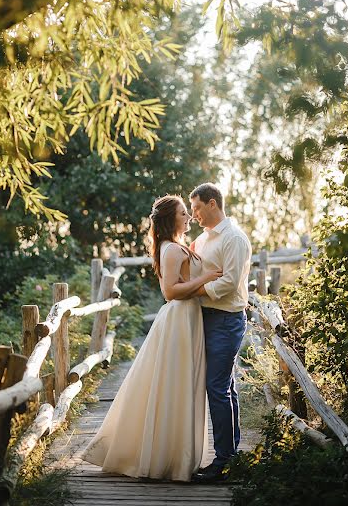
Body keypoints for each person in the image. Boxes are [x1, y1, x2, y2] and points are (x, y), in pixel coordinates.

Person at [81, 195, 222, 481]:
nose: (189, 217)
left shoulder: (178, 246)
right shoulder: (170, 249)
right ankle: (162, 459)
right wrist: (206, 280)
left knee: (181, 386)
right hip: (179, 319)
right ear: (171, 219)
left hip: (190, 318)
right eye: (184, 213)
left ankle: (174, 455)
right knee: (174, 386)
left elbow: (184, 282)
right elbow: (170, 292)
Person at [189, 182, 252, 483]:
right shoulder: (201, 240)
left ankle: (223, 460)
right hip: (205, 317)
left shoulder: (234, 238)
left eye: (197, 208)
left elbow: (228, 282)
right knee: (224, 387)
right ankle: (232, 455)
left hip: (226, 319)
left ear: (213, 204)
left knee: (216, 388)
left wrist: (195, 289)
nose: (194, 215)